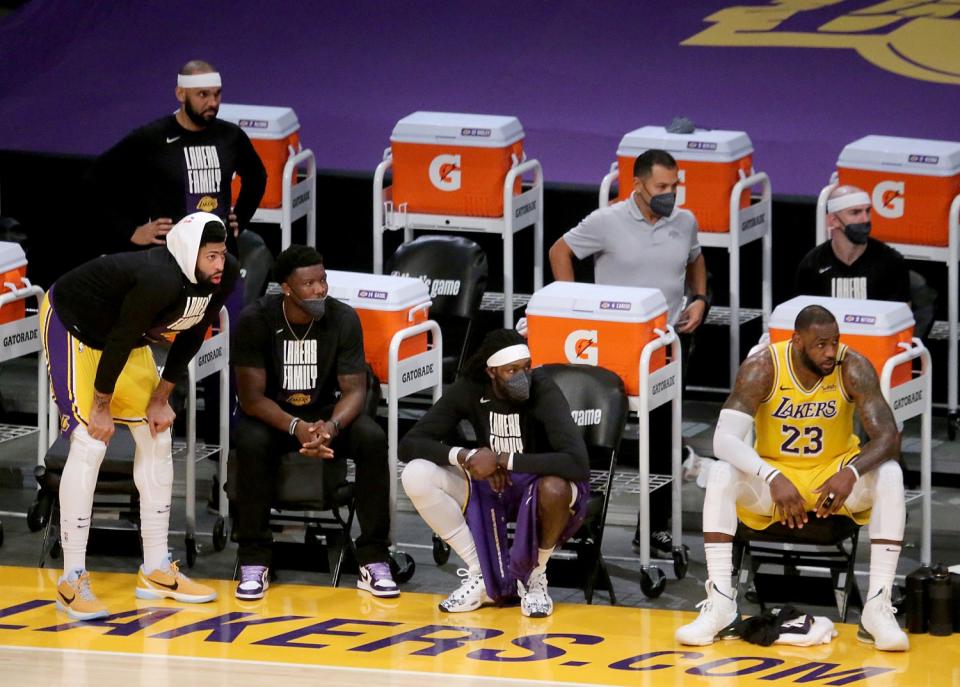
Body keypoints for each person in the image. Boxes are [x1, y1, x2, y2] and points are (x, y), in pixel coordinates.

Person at [40, 212, 240, 620]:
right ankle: (71, 580)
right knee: (90, 440)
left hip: (123, 341)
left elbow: (193, 333)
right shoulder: (157, 279)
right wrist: (100, 408)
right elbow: (120, 338)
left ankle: (155, 569)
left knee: (158, 433)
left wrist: (160, 398)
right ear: (189, 252)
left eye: (223, 255)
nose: (220, 265)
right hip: (74, 325)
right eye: (212, 256)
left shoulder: (225, 274)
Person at [676, 305, 909, 652]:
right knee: (723, 471)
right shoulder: (763, 367)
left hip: (834, 480)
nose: (830, 352)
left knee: (889, 474)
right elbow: (722, 440)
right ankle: (722, 603)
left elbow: (889, 436)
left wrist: (852, 471)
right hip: (777, 478)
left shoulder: (852, 366)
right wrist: (771, 475)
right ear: (797, 341)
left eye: (835, 342)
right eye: (820, 345)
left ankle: (876, 608)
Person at [548, 148, 707, 557]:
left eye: (674, 185)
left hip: (666, 346)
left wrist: (700, 298)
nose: (670, 194)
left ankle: (654, 529)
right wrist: (572, 303)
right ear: (638, 185)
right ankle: (584, 522)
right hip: (614, 347)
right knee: (599, 437)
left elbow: (695, 258)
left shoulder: (685, 221)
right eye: (661, 187)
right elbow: (559, 251)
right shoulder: (607, 221)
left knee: (665, 437)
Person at [230, 245, 397, 600]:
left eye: (322, 280)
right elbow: (251, 398)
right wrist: (295, 427)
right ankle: (254, 559)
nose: (320, 289)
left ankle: (374, 558)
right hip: (275, 420)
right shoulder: (256, 320)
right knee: (249, 440)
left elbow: (355, 390)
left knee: (370, 436)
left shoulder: (344, 318)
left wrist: (330, 428)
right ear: (286, 288)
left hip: (325, 420)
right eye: (309, 283)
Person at [399, 329, 590, 618]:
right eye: (511, 371)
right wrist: (467, 456)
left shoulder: (544, 389)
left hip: (539, 484)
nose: (522, 376)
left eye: (526, 367)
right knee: (415, 474)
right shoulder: (470, 388)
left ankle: (536, 576)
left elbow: (577, 463)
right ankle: (481, 574)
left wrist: (502, 460)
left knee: (555, 488)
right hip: (490, 484)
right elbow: (410, 444)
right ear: (491, 372)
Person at [85, 59, 266, 258]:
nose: (213, 103)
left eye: (217, 94)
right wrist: (131, 231)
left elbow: (257, 177)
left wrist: (240, 218)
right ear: (181, 94)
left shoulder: (231, 136)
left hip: (220, 256)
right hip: (169, 259)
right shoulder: (153, 138)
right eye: (203, 94)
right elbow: (95, 179)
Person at [795, 185, 910, 304]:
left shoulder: (890, 262)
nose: (865, 219)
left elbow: (902, 316)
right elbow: (805, 317)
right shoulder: (812, 265)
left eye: (868, 211)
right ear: (833, 220)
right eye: (855, 213)